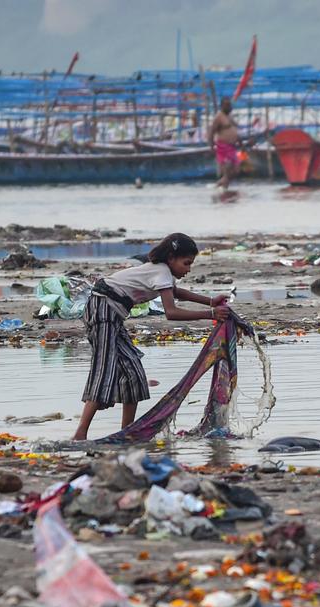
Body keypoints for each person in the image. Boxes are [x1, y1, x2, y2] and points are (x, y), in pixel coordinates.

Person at [72, 233, 230, 440]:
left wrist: (210, 301)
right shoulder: (162, 271)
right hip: (102, 310)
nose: (189, 269)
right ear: (171, 258)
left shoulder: (163, 272)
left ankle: (126, 433)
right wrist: (210, 314)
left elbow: (175, 292)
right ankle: (80, 434)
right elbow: (171, 313)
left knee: (134, 376)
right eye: (186, 263)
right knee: (105, 372)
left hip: (112, 315)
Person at [208, 97, 242, 190]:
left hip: (232, 146)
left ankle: (220, 184)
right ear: (222, 106)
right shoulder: (218, 117)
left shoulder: (230, 117)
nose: (229, 107)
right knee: (227, 167)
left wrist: (241, 143)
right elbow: (211, 132)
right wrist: (211, 147)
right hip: (223, 146)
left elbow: (235, 131)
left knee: (236, 170)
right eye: (227, 105)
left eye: (230, 105)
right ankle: (224, 192)